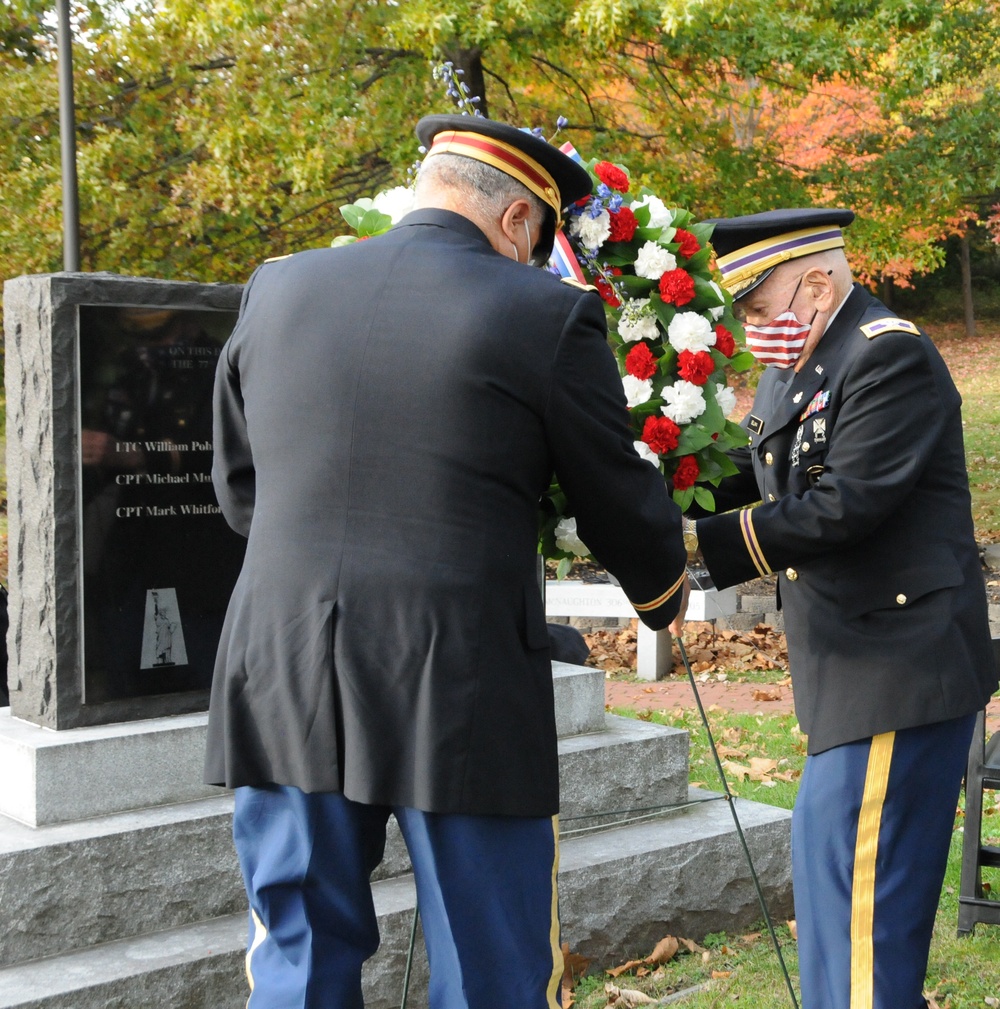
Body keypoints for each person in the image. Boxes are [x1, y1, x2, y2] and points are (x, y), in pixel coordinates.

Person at [206, 113, 689, 1009]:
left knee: (297, 955)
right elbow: (612, 491)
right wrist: (662, 591)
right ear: (517, 222)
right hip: (456, 675)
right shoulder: (546, 311)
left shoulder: (276, 286)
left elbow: (241, 491)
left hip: (283, 661)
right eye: (539, 244)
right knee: (490, 964)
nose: (536, 264)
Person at [685, 208, 999, 1009]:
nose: (754, 328)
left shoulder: (887, 356)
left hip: (900, 666)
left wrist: (697, 544)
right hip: (854, 671)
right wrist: (664, 481)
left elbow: (841, 506)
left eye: (760, 308)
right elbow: (754, 473)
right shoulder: (804, 359)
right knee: (836, 897)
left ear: (817, 283)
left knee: (864, 916)